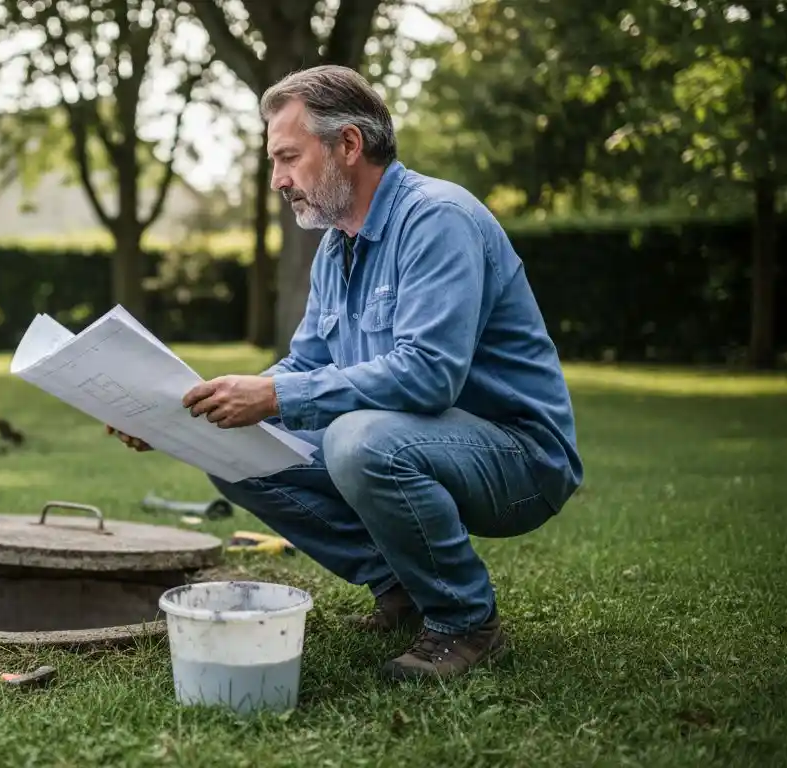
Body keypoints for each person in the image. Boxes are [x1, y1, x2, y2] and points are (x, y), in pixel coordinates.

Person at [107, 64, 582, 681]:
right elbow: (307, 364)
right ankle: (403, 587)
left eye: (288, 157)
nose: (278, 179)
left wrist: (275, 394)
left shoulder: (438, 220)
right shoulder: (337, 244)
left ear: (348, 145)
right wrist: (180, 415)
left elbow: (428, 375)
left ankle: (466, 620)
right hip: (419, 442)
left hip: (520, 458)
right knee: (232, 447)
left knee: (356, 441)